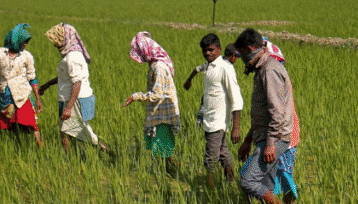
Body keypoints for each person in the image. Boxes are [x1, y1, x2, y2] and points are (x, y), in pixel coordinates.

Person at [233, 28, 300, 204]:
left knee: (248, 179)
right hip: (267, 136)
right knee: (265, 183)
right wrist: (247, 140)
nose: (243, 60)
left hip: (275, 138)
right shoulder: (262, 70)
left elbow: (276, 112)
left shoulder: (270, 71)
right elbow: (262, 115)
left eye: (243, 55)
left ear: (250, 49)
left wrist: (270, 143)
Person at [39, 22, 110, 156]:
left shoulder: (72, 58)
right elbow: (66, 76)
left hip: (76, 100)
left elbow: (77, 83)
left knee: (72, 133)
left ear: (65, 39)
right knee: (74, 132)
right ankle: (77, 157)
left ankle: (71, 160)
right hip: (75, 99)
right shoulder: (71, 55)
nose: (55, 45)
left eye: (57, 41)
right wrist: (47, 85)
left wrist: (68, 108)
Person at [182, 33, 243, 186]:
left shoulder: (225, 68)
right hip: (210, 118)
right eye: (205, 50)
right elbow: (197, 70)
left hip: (218, 121)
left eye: (211, 50)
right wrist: (189, 80)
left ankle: (211, 190)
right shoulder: (209, 65)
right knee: (223, 153)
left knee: (210, 158)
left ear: (219, 49)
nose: (207, 53)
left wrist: (236, 127)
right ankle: (231, 180)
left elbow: (236, 98)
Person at [122, 31, 180, 173]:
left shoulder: (158, 67)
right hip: (160, 112)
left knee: (162, 146)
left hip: (163, 113)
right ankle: (168, 170)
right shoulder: (155, 64)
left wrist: (136, 96)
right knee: (162, 146)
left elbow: (156, 94)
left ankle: (166, 172)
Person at [0, 23, 43, 147]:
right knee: (9, 125)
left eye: (26, 42)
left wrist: (38, 99)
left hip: (22, 94)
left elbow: (32, 78)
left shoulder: (26, 56)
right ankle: (15, 147)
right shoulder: (0, 53)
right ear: (15, 40)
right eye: (23, 41)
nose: (25, 44)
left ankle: (39, 146)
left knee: (31, 123)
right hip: (6, 95)